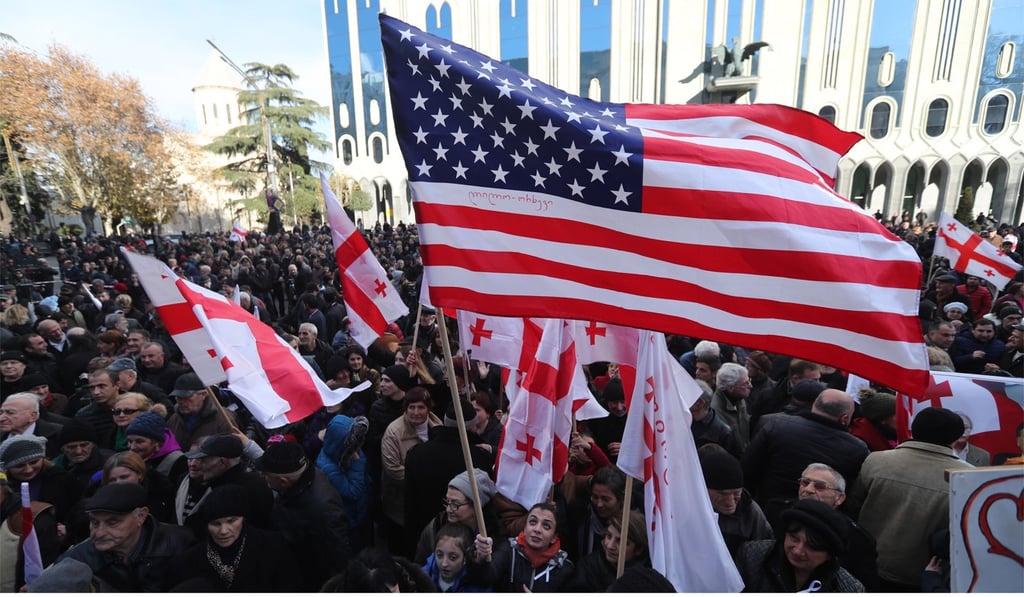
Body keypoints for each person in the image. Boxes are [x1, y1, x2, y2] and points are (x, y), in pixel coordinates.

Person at [847, 407, 973, 591]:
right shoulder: (966, 477)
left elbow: (852, 507)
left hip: (866, 563)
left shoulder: (876, 461)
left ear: (914, 429)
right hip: (921, 575)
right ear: (956, 438)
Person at [43, 482, 194, 592]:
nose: (99, 533)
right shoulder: (78, 558)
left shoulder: (179, 543)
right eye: (95, 523)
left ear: (141, 516)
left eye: (112, 522)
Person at [742, 389, 869, 506]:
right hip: (815, 516)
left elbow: (748, 466)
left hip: (768, 504)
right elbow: (853, 491)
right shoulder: (856, 449)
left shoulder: (777, 426)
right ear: (845, 418)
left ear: (814, 406)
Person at [255, 440, 352, 591]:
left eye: (266, 475)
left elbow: (337, 558)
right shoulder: (302, 479)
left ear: (283, 481)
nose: (263, 478)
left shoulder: (323, 510)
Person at [166, 484, 299, 592]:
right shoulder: (188, 562)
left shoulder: (273, 547)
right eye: (216, 523)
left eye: (231, 521)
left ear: (243, 519)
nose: (223, 531)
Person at [736, 499, 864, 592]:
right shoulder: (752, 557)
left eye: (811, 546)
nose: (798, 550)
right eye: (794, 538)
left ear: (830, 554)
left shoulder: (849, 589)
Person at [380, 386, 441, 556]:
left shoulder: (437, 426)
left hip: (427, 503)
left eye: (421, 407)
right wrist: (421, 478)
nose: (416, 412)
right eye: (411, 407)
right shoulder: (394, 432)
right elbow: (392, 469)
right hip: (400, 503)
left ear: (428, 408)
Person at [699, 443, 773, 557]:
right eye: (722, 494)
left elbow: (767, 551)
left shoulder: (751, 513)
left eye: (736, 494)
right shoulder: (690, 510)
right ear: (704, 489)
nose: (730, 502)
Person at [415, 468, 499, 564]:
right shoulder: (436, 527)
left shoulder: (495, 535)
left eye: (455, 504)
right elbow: (419, 566)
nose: (448, 509)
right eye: (447, 502)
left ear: (476, 506)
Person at [316, 414, 372, 552]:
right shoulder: (328, 467)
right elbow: (353, 492)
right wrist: (358, 463)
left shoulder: (344, 452)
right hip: (352, 520)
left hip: (360, 512)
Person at [489, 502, 574, 592]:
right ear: (525, 528)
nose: (537, 529)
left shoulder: (565, 569)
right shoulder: (509, 549)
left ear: (554, 537)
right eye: (533, 522)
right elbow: (485, 577)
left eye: (546, 526)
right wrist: (478, 557)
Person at [566, 510, 650, 592]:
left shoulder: (648, 576)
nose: (610, 546)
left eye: (620, 541)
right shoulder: (588, 568)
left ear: (638, 549)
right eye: (609, 536)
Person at [166, 373, 236, 450]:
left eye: (187, 397)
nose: (181, 401)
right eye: (178, 397)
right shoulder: (174, 419)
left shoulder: (223, 419)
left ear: (203, 395)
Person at [422, 522, 494, 592]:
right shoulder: (424, 575)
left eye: (453, 557)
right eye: (439, 555)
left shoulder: (477, 587)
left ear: (466, 557)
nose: (444, 564)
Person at [0, 393, 63, 457]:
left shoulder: (58, 433)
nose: (1, 418)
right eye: (1, 412)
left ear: (32, 416)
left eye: (10, 413)